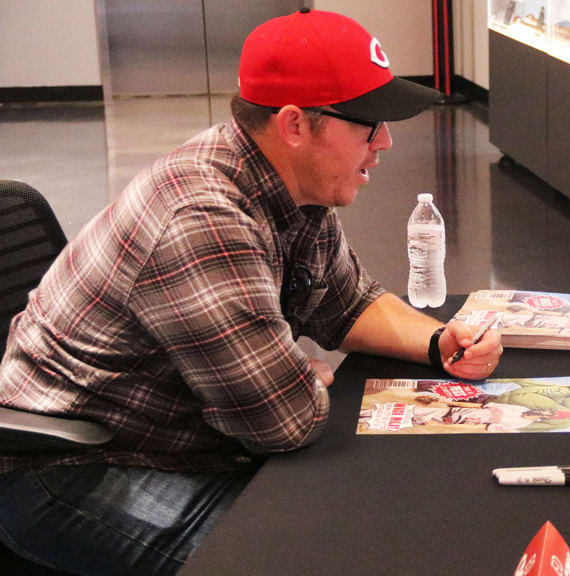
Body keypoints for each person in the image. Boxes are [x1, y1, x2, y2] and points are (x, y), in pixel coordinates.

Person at [0, 9, 502, 575]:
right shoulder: (203, 218)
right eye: (368, 122)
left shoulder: (289, 180)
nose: (384, 142)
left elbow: (347, 300)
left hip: (177, 435)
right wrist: (289, 379)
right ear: (294, 124)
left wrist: (439, 341)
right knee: (305, 556)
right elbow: (282, 422)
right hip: (74, 464)